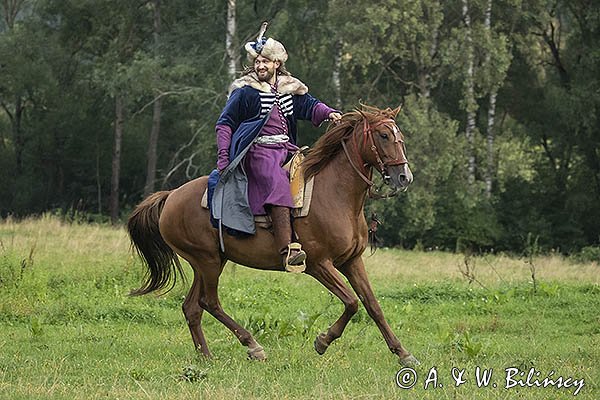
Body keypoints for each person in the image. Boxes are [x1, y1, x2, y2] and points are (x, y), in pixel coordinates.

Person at [213, 24, 341, 273]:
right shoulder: (245, 92)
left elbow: (311, 106)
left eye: (266, 62)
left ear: (276, 64)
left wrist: (330, 113)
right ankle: (288, 249)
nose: (260, 66)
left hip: (288, 149)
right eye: (257, 61)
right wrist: (223, 157)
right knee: (276, 179)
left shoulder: (289, 89)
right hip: (258, 153)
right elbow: (224, 124)